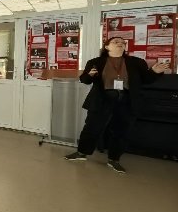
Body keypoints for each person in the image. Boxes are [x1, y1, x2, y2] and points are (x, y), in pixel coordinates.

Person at [64, 36, 167, 173]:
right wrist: (90, 75)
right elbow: (85, 80)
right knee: (92, 128)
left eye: (123, 42)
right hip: (102, 100)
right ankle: (81, 153)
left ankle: (114, 159)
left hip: (127, 101)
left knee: (121, 131)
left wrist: (155, 72)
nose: (120, 44)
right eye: (116, 42)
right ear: (107, 46)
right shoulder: (95, 62)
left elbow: (146, 80)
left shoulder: (137, 62)